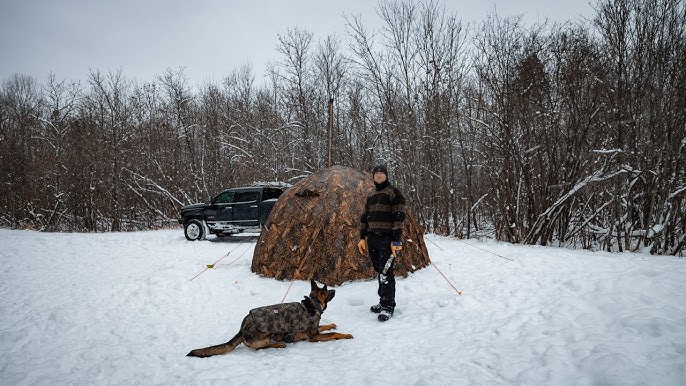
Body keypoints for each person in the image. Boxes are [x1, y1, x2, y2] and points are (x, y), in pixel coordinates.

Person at [357, 164, 407, 322]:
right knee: (379, 270)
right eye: (376, 173)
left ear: (386, 175)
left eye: (381, 173)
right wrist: (361, 238)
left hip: (387, 238)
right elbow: (365, 217)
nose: (378, 176)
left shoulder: (394, 193)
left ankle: (388, 305)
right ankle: (382, 300)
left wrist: (396, 239)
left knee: (386, 272)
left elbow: (399, 216)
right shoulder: (371, 194)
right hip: (372, 238)